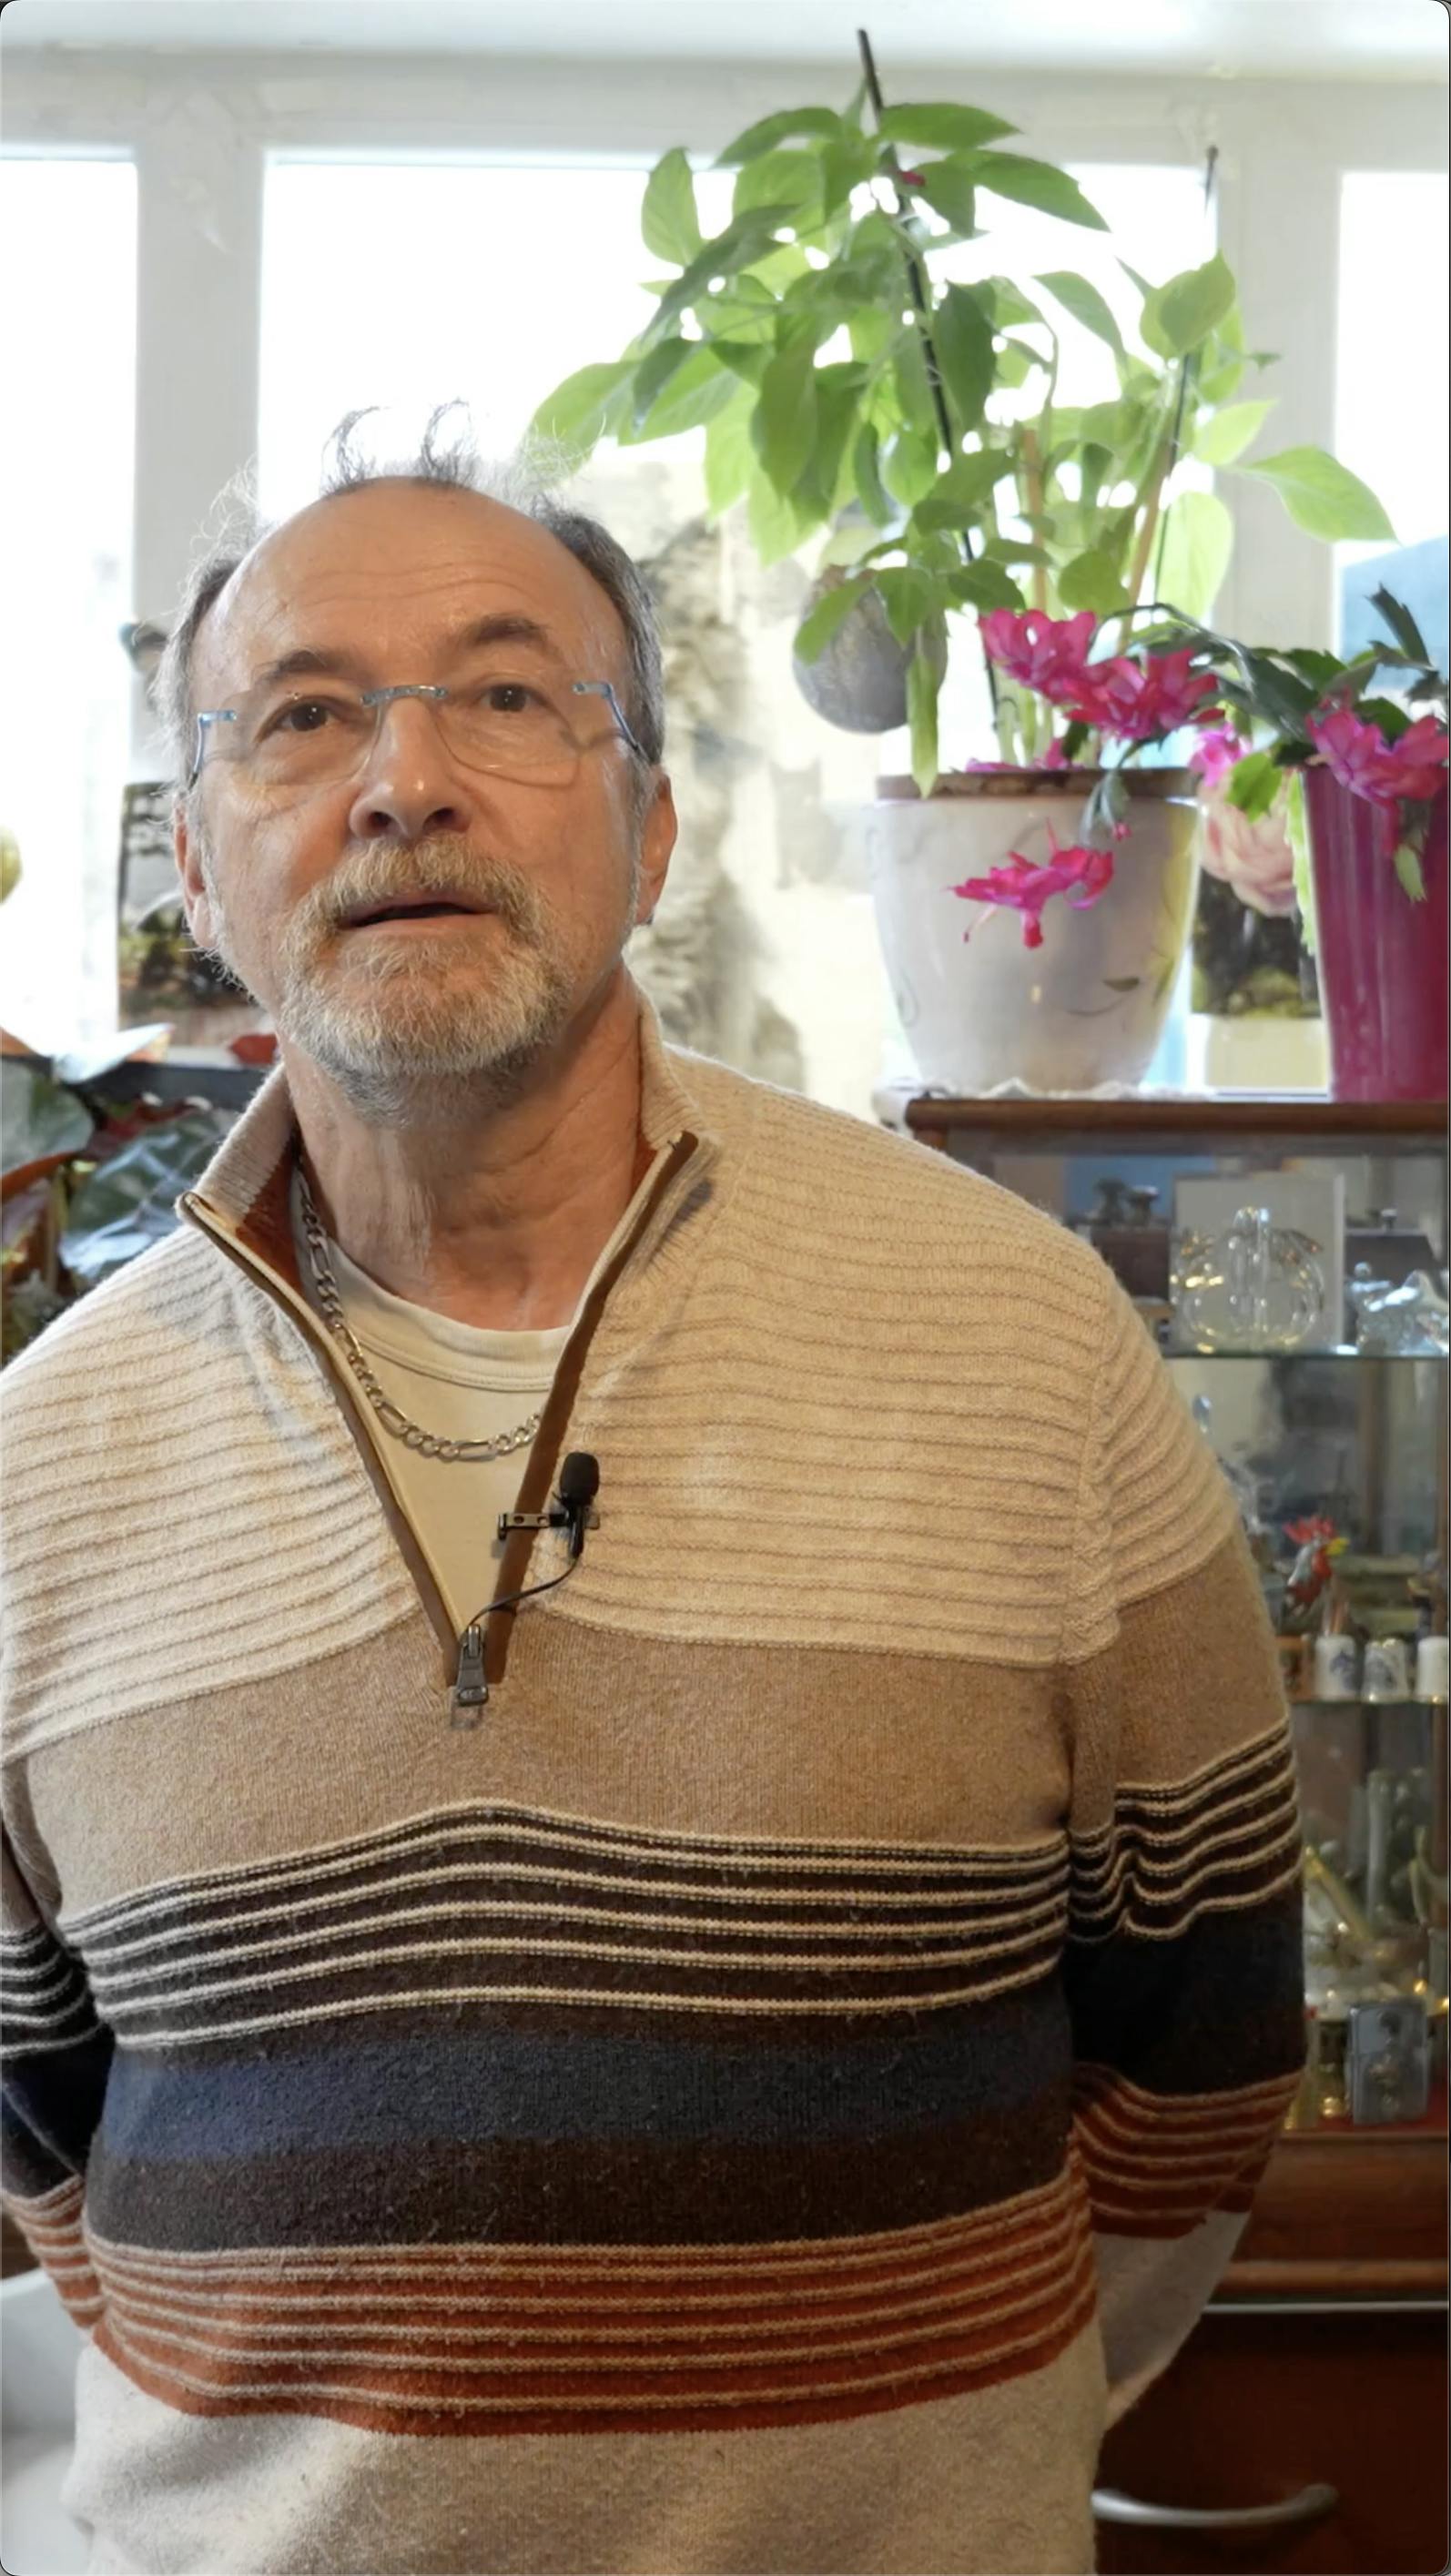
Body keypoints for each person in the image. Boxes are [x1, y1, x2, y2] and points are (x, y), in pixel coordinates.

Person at [1, 408, 1306, 2576]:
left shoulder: (1016, 1342)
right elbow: (48, 2142)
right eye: (303, 715)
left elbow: (1203, 2048)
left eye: (508, 694)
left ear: (653, 822)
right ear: (201, 864)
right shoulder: (39, 1467)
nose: (403, 778)